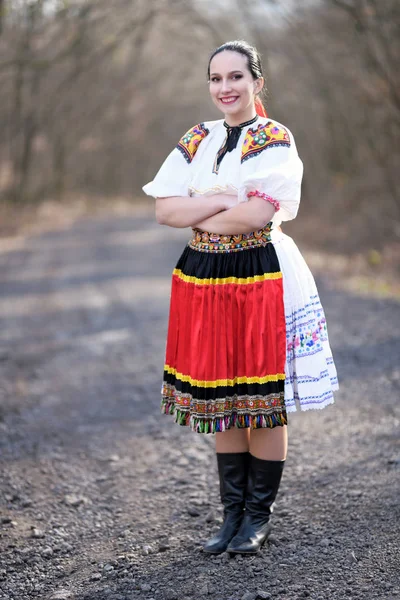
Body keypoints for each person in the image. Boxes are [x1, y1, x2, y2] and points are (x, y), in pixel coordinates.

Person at [142, 40, 339, 556]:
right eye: (215, 78)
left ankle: (258, 518)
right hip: (203, 274)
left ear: (256, 81)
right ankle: (230, 517)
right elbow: (164, 210)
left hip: (258, 271)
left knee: (262, 401)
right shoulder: (196, 138)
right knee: (221, 399)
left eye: (235, 77)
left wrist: (198, 207)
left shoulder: (275, 138)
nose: (224, 88)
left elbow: (256, 217)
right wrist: (221, 201)